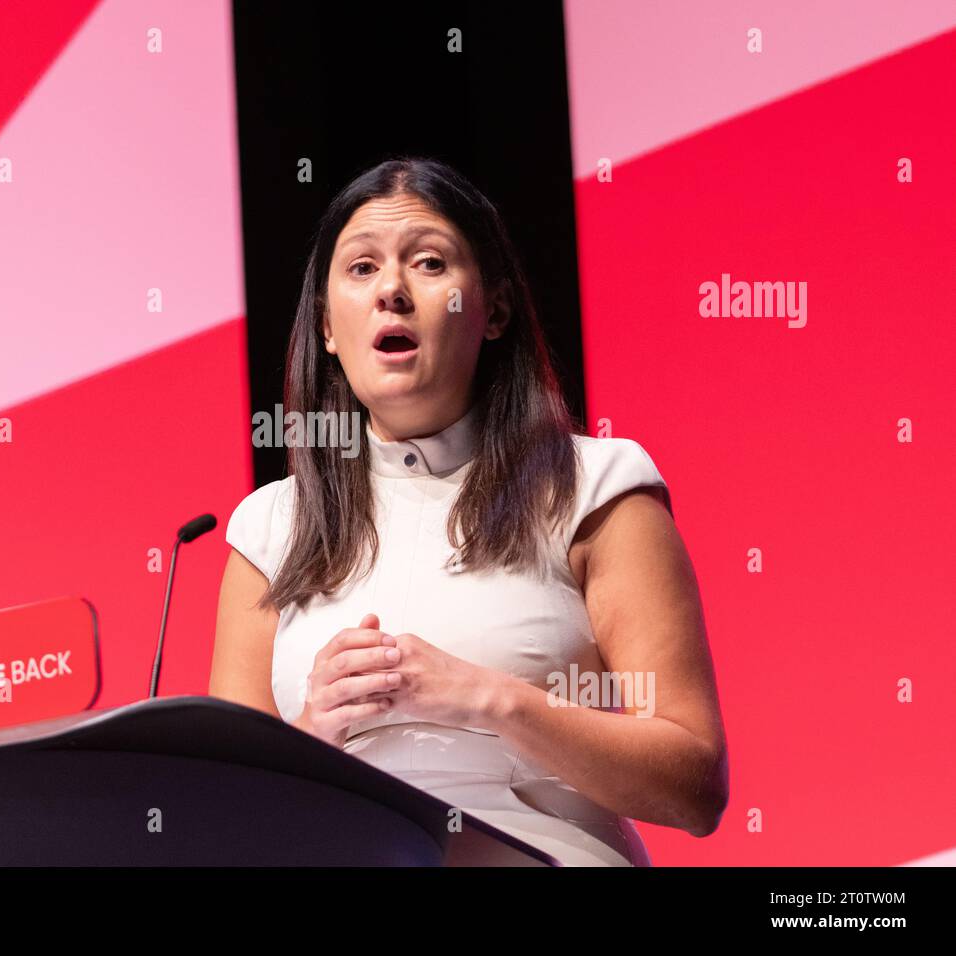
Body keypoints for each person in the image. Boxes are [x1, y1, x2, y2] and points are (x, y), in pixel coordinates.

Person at [209, 156, 728, 866]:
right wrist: (311, 733)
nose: (391, 289)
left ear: (495, 312)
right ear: (328, 326)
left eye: (428, 263)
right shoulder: (270, 530)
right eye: (361, 270)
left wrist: (489, 700)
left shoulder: (595, 486)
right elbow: (224, 826)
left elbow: (694, 785)